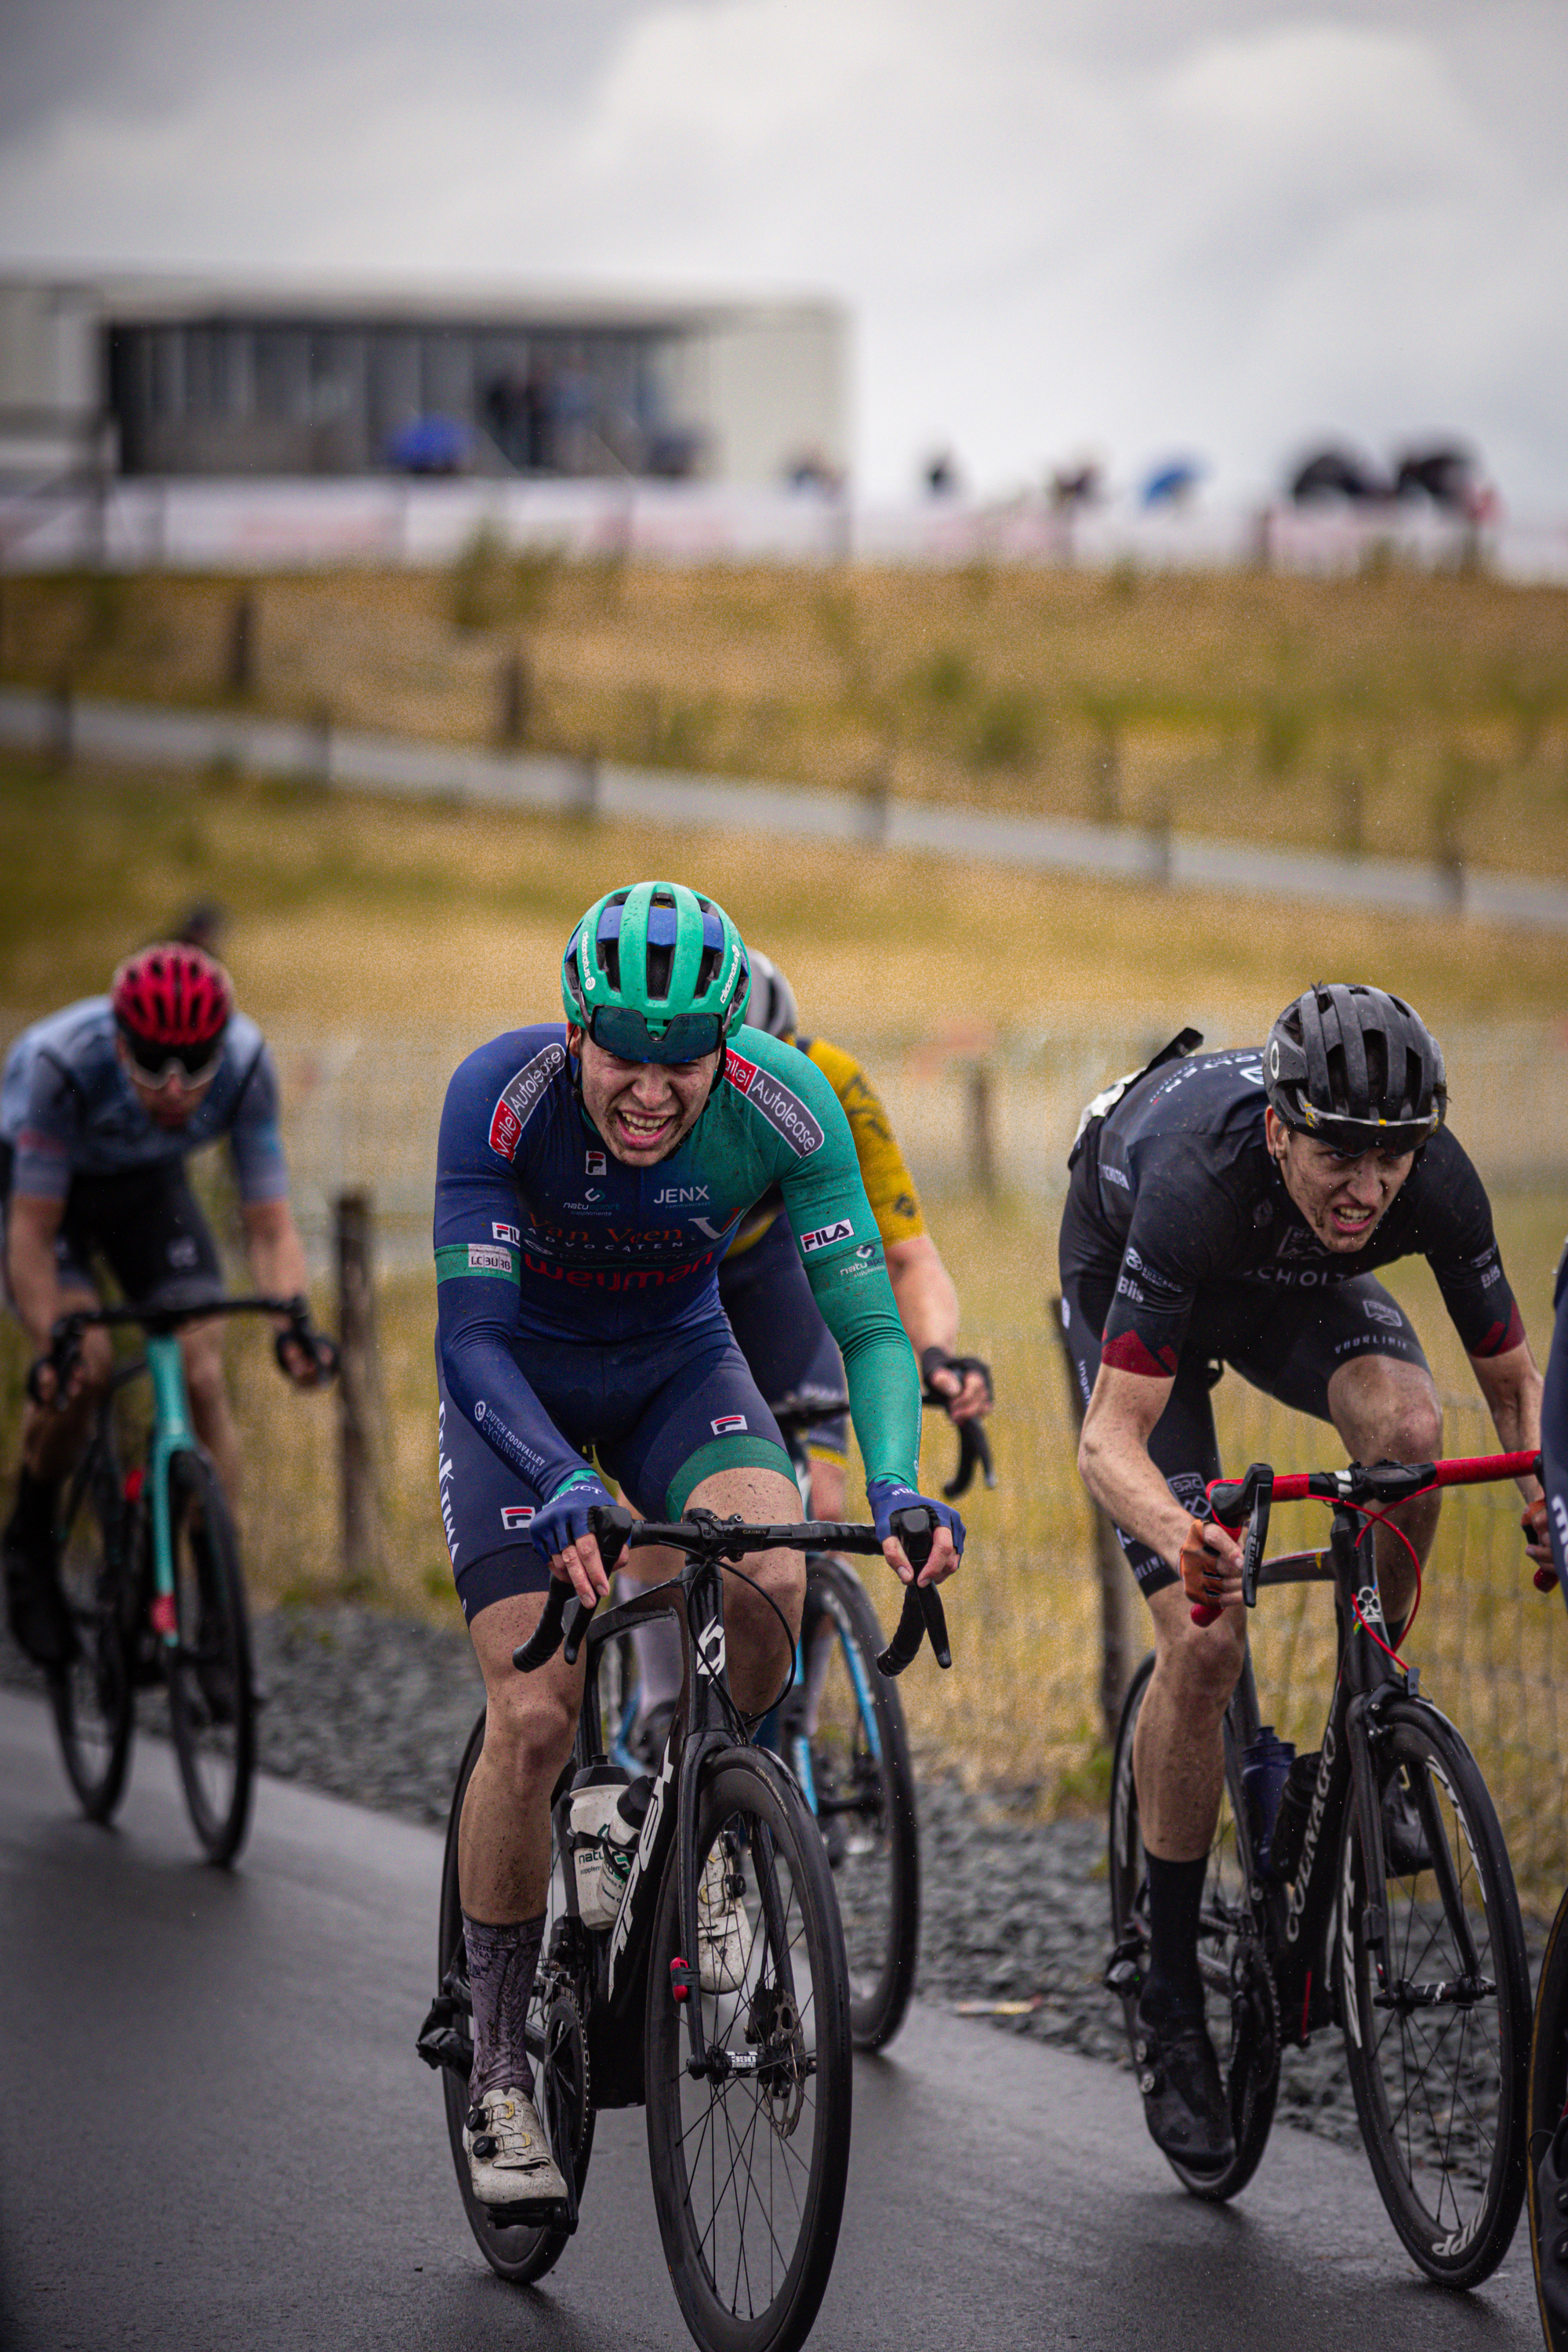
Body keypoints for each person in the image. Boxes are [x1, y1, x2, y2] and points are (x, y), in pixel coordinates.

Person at [433, 880, 964, 2207]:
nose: (656, 1091)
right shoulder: (500, 1096)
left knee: (774, 1568)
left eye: (686, 1062)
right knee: (538, 1714)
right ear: (575, 1029)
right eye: (625, 1056)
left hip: (679, 1366)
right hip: (522, 1389)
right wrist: (557, 1475)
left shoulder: (788, 1099)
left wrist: (896, 1484)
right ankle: (500, 2065)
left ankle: (694, 1828)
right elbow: (472, 1337)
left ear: (727, 1041)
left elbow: (872, 1327)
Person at [1058, 984, 1546, 2172]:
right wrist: (1184, 1537)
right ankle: (1171, 1992)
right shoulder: (1190, 1179)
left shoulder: (1431, 1179)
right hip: (1139, 1270)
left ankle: (1368, 1721)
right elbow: (1108, 1443)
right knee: (1207, 1642)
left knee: (1413, 1436)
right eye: (1339, 1155)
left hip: (1286, 1282)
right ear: (1279, 1129)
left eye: (1391, 1160)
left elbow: (1517, 1392)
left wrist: (1551, 1500)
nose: (1368, 1189)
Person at [622, 949, 992, 1748]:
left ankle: (787, 1718)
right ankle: (658, 1702)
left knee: (821, 1505)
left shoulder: (826, 1084)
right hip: (665, 1271)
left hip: (766, 1270)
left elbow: (904, 1255)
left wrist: (936, 1355)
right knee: (642, 1500)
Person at [1, 944, 320, 1668]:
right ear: (118, 1046)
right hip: (44, 1194)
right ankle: (29, 1536)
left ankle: (217, 1602)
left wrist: (292, 1323)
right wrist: (51, 1339)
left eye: (193, 1067)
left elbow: (269, 1225)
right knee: (84, 1363)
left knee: (203, 1373)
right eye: (151, 1066)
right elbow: (31, 1231)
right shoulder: (61, 1067)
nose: (175, 1089)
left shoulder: (244, 1068)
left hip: (145, 1184)